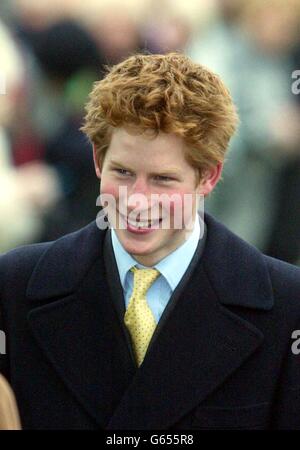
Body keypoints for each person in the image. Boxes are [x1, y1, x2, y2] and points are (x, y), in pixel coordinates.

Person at [0, 53, 300, 430]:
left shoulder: (287, 306)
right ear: (97, 159)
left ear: (208, 176)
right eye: (123, 172)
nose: (137, 200)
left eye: (162, 179)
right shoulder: (14, 287)